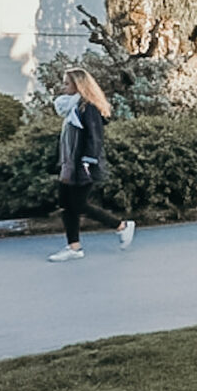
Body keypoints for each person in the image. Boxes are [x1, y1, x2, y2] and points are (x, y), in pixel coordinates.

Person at [48, 67, 135, 262]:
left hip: (82, 165)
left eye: (67, 83)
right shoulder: (71, 106)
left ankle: (121, 226)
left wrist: (88, 161)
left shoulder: (88, 107)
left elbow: (95, 137)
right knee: (66, 205)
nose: (63, 87)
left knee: (78, 204)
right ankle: (74, 247)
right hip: (68, 164)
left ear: (78, 85)